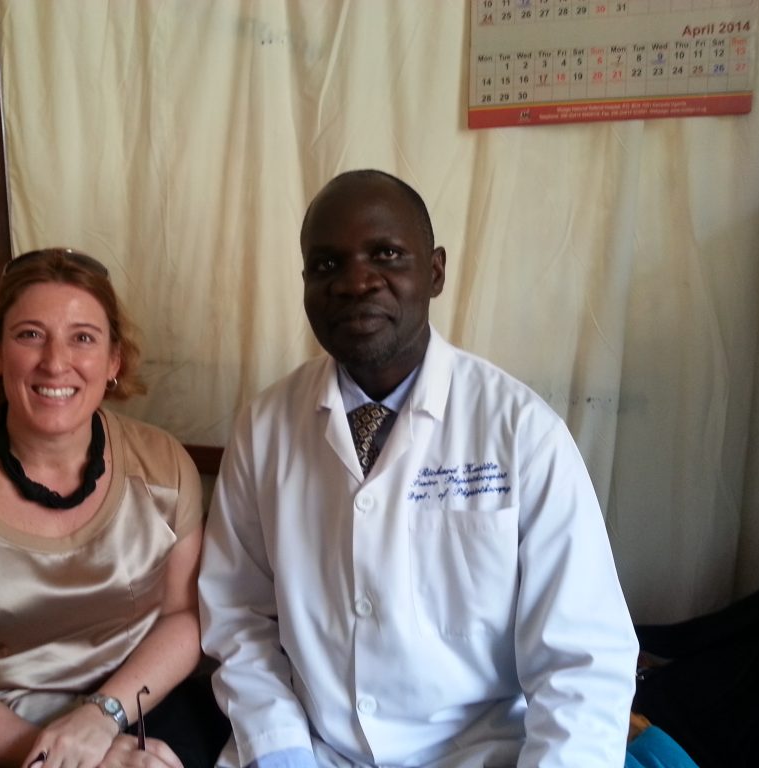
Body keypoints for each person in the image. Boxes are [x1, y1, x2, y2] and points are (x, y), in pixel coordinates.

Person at [198, 170, 639, 768]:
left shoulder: (521, 432)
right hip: (314, 750)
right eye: (326, 265)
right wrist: (279, 748)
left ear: (434, 272)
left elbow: (582, 660)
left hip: (481, 753)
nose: (355, 282)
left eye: (385, 254)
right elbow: (237, 613)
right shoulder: (264, 427)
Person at [0, 249, 223, 768]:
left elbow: (184, 617)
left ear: (113, 361)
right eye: (30, 335)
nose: (55, 362)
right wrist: (63, 755)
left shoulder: (162, 464)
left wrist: (102, 718)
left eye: (83, 338)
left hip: (140, 706)